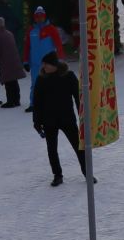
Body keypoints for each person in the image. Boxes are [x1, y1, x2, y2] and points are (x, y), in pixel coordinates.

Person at [31, 53, 89, 187]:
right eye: (43, 64)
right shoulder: (41, 79)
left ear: (54, 65)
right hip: (48, 120)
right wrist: (37, 122)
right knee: (52, 149)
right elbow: (37, 102)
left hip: (67, 118)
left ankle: (87, 172)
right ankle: (57, 175)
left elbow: (78, 97)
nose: (44, 66)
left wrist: (83, 115)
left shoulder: (68, 76)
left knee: (79, 147)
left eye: (46, 64)